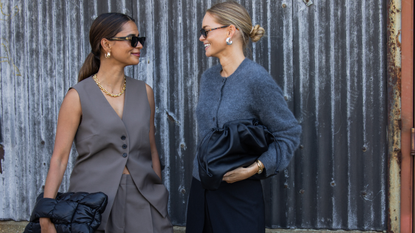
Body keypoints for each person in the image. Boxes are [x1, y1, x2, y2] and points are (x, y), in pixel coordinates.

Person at [39, 13, 173, 233]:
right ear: (106, 44)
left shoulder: (145, 92)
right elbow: (59, 158)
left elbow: (151, 151)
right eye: (132, 39)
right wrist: (45, 215)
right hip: (92, 206)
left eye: (141, 39)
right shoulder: (77, 96)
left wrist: (159, 195)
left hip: (144, 201)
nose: (139, 45)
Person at [186, 2, 302, 233]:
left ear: (230, 31)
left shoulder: (257, 79)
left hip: (238, 196)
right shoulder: (208, 78)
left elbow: (288, 133)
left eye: (206, 30)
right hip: (201, 190)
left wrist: (255, 168)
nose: (202, 38)